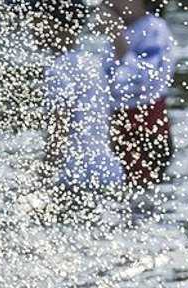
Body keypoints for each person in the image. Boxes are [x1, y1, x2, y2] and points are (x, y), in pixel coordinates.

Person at [22, 0, 126, 196]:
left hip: (76, 176)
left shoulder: (58, 69)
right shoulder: (92, 63)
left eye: (36, 22)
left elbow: (58, 135)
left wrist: (41, 181)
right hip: (109, 170)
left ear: (55, 25)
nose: (32, 29)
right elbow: (108, 125)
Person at [99, 0, 175, 187]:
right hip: (121, 124)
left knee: (143, 193)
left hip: (146, 124)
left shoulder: (154, 29)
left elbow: (141, 81)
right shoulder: (125, 30)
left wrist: (119, 42)